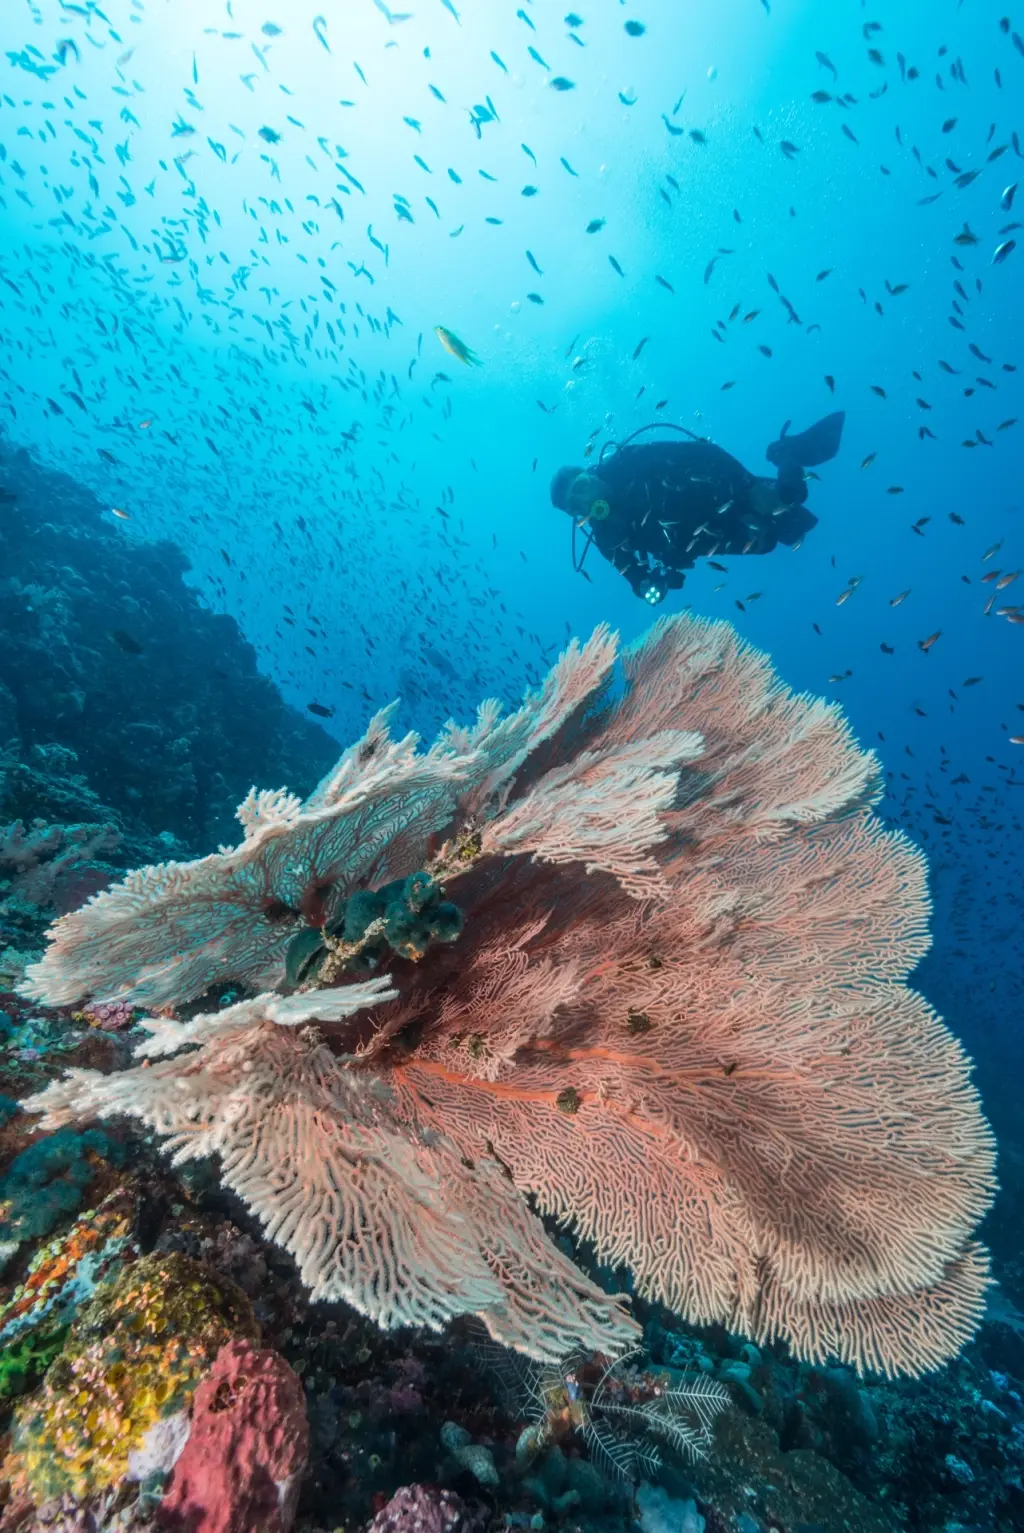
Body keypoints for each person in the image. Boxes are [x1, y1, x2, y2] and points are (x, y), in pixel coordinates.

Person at [550, 412, 845, 604]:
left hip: (727, 492)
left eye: (580, 487)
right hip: (711, 537)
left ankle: (786, 453)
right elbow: (632, 575)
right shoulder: (605, 536)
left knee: (790, 500)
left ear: (588, 473)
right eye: (576, 507)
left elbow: (702, 451)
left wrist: (749, 485)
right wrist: (651, 584)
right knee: (780, 537)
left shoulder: (628, 461)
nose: (585, 501)